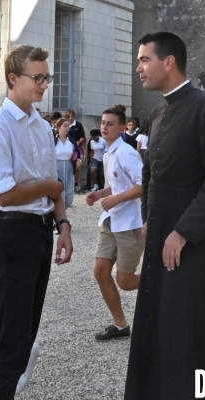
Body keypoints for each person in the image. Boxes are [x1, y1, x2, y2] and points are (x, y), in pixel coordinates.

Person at [126, 31, 205, 399]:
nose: (138, 68)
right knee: (163, 320)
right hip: (162, 234)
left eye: (144, 59)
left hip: (198, 242)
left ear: (169, 62)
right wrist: (149, 218)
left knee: (194, 321)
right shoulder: (160, 110)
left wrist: (182, 232)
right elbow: (150, 171)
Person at [0, 45, 73, 399]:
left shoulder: (41, 126)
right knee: (13, 347)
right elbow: (2, 195)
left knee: (25, 336)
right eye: (38, 77)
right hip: (13, 233)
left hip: (40, 232)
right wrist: (47, 188)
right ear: (13, 78)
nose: (45, 84)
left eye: (47, 77)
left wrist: (63, 226)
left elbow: (52, 187)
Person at [86, 107, 144, 341]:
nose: (104, 126)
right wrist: (100, 194)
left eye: (110, 124)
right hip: (111, 220)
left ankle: (165, 279)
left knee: (126, 282)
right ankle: (121, 326)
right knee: (100, 271)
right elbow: (119, 185)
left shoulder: (127, 153)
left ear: (122, 129)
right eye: (102, 123)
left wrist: (115, 199)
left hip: (130, 223)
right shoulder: (108, 153)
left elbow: (143, 185)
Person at [54, 117, 82, 208]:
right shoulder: (53, 140)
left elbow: (76, 154)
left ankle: (61, 216)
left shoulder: (71, 141)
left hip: (69, 168)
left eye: (68, 126)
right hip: (57, 168)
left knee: (69, 198)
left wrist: (78, 160)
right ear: (58, 127)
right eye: (65, 126)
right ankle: (59, 220)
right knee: (59, 195)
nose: (67, 128)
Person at [66, 109, 86, 193]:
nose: (70, 118)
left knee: (77, 167)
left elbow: (82, 136)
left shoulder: (78, 125)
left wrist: (79, 141)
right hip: (67, 148)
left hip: (76, 149)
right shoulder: (64, 125)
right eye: (69, 116)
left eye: (72, 116)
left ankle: (76, 184)